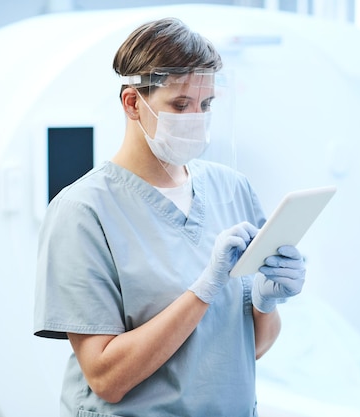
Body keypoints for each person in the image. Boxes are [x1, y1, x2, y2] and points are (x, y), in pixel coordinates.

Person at [33, 17, 306, 416]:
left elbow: (252, 350)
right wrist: (202, 291)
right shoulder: (83, 211)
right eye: (180, 105)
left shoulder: (232, 190)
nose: (196, 117)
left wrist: (265, 301)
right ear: (132, 103)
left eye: (206, 104)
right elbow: (107, 378)